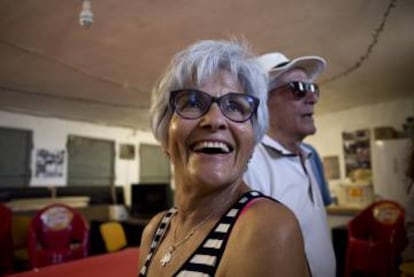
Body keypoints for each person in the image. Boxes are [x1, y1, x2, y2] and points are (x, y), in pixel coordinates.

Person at [138, 40, 310, 276]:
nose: (215, 120)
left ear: (252, 142)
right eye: (192, 103)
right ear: (165, 133)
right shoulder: (154, 231)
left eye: (235, 106)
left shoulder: (265, 227)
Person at [244, 52, 336, 277]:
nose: (312, 98)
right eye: (298, 89)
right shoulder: (249, 165)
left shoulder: (310, 155)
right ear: (262, 103)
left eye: (312, 89)